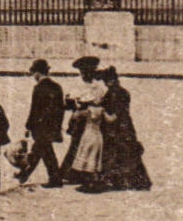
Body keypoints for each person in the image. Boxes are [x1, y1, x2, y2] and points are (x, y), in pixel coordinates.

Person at [82, 67, 151, 192]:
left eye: (105, 80)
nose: (105, 83)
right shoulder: (123, 92)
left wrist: (100, 111)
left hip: (116, 129)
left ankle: (110, 182)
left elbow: (113, 115)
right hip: (126, 127)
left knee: (113, 155)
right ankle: (139, 181)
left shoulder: (114, 93)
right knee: (130, 156)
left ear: (111, 80)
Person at [17, 59, 65, 188]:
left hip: (40, 127)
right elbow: (61, 109)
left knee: (44, 151)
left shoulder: (39, 88)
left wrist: (28, 126)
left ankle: (54, 179)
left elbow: (35, 110)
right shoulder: (57, 87)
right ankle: (25, 174)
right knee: (41, 150)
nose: (33, 76)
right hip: (53, 126)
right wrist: (58, 126)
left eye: (33, 73)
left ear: (37, 72)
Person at [61, 55, 107, 184]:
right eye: (83, 71)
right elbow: (69, 102)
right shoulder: (77, 84)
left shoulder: (98, 86)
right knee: (76, 144)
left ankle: (85, 171)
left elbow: (101, 100)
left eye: (88, 71)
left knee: (89, 145)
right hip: (79, 118)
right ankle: (72, 172)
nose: (85, 74)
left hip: (93, 118)